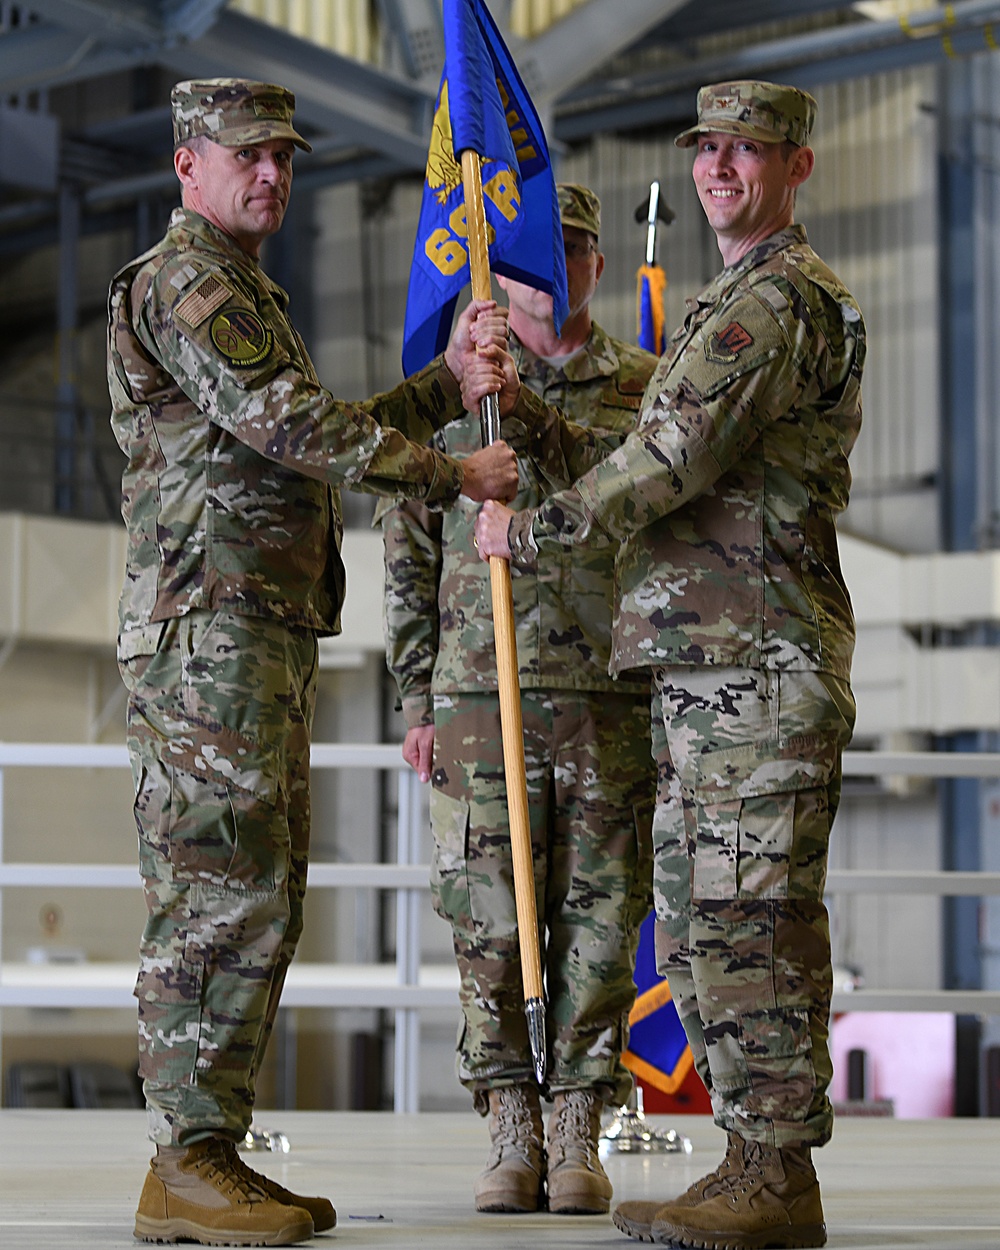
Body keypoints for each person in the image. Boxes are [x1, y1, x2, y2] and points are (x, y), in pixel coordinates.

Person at [107, 78, 517, 1248]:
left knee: (260, 896)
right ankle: (184, 1159)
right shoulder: (184, 279)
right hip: (207, 636)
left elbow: (307, 443)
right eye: (248, 156)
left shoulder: (246, 290)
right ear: (188, 163)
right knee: (217, 893)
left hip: (258, 632)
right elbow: (289, 424)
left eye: (283, 155)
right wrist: (455, 471)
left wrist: (449, 387)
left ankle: (209, 1151)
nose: (272, 174)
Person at [474, 82, 865, 1250]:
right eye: (708, 149)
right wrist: (533, 423)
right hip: (705, 666)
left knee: (750, 917)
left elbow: (669, 455)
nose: (720, 167)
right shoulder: (728, 300)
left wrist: (528, 528)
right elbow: (638, 441)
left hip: (757, 659)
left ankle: (777, 1172)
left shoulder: (778, 301)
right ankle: (749, 1156)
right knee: (700, 928)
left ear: (797, 165)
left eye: (748, 150)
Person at [380, 184, 657, 1217]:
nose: (556, 271)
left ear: (593, 264)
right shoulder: (456, 389)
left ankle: (579, 1122)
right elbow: (405, 548)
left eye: (574, 249)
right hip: (472, 690)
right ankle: (508, 1123)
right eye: (537, 254)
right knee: (486, 920)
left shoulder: (640, 386)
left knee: (597, 917)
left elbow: (663, 507)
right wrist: (414, 693)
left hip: (604, 692)